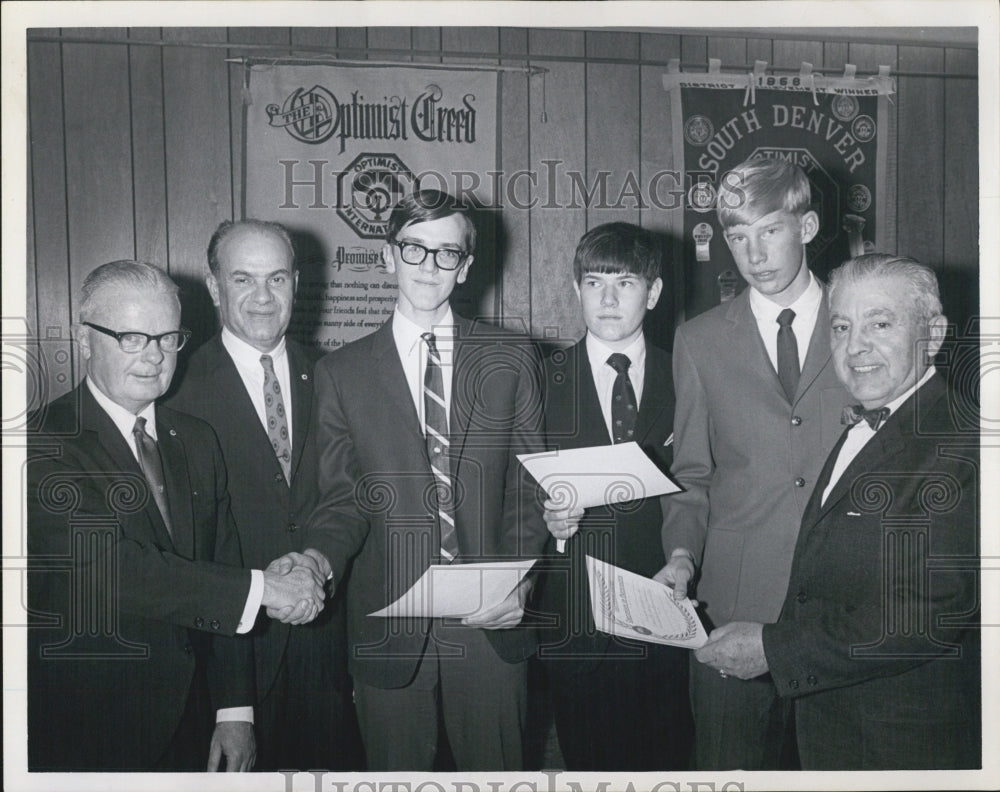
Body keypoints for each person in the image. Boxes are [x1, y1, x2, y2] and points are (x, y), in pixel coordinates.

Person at [27, 261, 326, 772]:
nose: (153, 356)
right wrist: (266, 590)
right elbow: (114, 570)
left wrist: (236, 711)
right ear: (83, 339)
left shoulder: (196, 439)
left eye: (168, 338)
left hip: (194, 728)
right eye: (131, 337)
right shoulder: (41, 443)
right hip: (91, 730)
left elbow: (222, 561)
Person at [694, 254, 980, 770]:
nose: (856, 346)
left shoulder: (961, 444)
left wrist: (774, 650)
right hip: (840, 729)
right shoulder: (868, 424)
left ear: (933, 335)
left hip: (901, 745)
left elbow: (923, 613)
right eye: (842, 326)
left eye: (881, 323)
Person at [293, 189, 547, 771]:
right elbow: (342, 500)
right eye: (414, 249)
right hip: (389, 623)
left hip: (490, 621)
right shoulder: (341, 373)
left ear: (467, 266)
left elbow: (532, 486)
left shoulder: (511, 357)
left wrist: (518, 580)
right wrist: (315, 558)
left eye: (447, 253)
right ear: (387, 257)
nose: (429, 267)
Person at [655, 156, 853, 769]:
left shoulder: (862, 323)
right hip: (733, 608)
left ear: (810, 226)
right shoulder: (700, 339)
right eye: (738, 237)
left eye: (769, 230)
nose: (754, 254)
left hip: (844, 606)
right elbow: (691, 476)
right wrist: (681, 557)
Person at [167, 220, 359, 770]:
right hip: (228, 670)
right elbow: (191, 556)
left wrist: (317, 564)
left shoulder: (330, 377)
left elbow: (345, 501)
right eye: (244, 279)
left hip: (326, 661)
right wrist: (234, 705)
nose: (262, 297)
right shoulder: (177, 392)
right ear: (213, 286)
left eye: (276, 279)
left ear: (297, 283)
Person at [538, 222, 692, 770]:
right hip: (577, 622)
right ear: (576, 288)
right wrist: (546, 522)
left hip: (669, 611)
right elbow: (511, 496)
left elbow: (711, 484)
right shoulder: (538, 381)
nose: (607, 298)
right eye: (594, 281)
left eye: (624, 283)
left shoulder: (690, 375)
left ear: (652, 293)